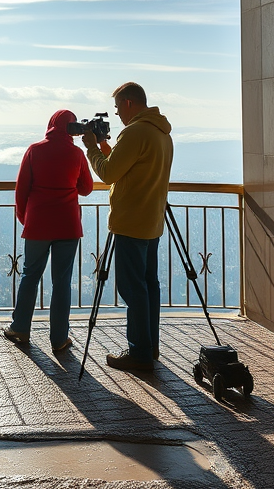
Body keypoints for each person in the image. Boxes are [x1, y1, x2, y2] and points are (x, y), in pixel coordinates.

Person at [81, 82, 173, 371]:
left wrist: (91, 150)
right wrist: (108, 146)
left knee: (133, 290)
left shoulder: (134, 132)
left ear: (130, 103)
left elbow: (109, 173)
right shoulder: (160, 131)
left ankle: (138, 353)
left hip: (131, 222)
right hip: (152, 221)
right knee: (149, 287)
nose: (117, 114)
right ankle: (150, 346)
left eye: (119, 107)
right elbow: (129, 164)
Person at [3, 109, 94, 352]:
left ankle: (20, 328)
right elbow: (86, 188)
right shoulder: (77, 154)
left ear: (51, 125)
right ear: (73, 128)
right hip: (68, 226)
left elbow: (21, 189)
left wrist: (25, 218)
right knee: (62, 282)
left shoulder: (35, 150)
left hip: (38, 225)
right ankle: (59, 339)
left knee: (30, 276)